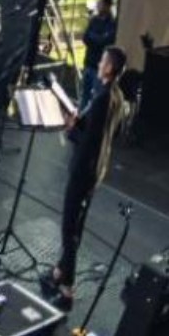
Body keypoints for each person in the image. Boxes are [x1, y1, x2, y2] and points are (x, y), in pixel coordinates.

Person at [50, 46, 130, 305]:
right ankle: (62, 269)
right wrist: (80, 122)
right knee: (76, 223)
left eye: (103, 61)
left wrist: (72, 129)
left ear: (109, 68)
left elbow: (88, 140)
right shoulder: (113, 96)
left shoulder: (103, 97)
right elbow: (100, 129)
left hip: (84, 169)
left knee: (69, 226)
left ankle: (67, 283)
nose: (99, 64)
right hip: (95, 169)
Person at [81, 0, 116, 105]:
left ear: (107, 5)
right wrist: (97, 38)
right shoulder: (94, 20)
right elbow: (85, 37)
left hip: (99, 68)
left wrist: (94, 37)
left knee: (95, 99)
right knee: (84, 97)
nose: (98, 5)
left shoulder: (112, 24)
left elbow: (105, 42)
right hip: (88, 63)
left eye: (100, 3)